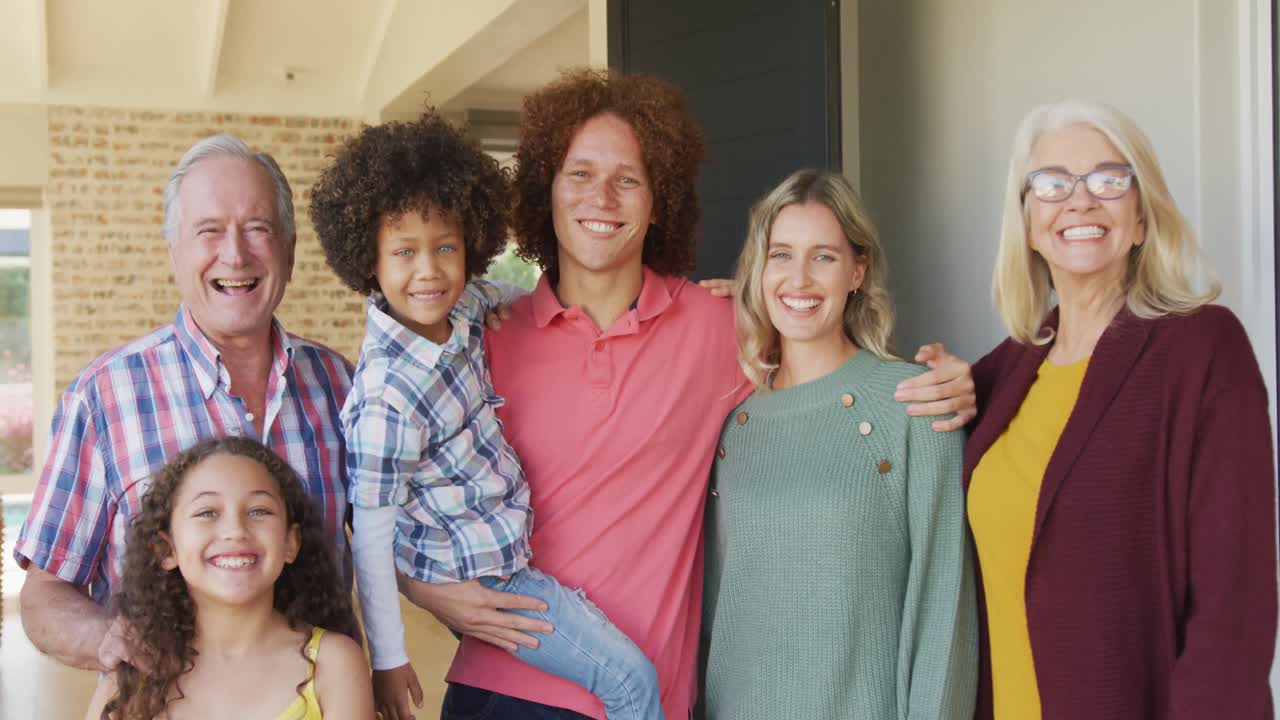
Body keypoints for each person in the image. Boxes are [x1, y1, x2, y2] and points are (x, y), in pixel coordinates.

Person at [396, 68, 979, 720]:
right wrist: (421, 588)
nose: (603, 198)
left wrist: (949, 379)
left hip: (642, 703)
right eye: (580, 174)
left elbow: (822, 356)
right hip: (499, 691)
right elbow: (390, 488)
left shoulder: (718, 330)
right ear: (545, 190)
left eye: (628, 179)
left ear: (659, 198)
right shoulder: (486, 342)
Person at [309, 112, 663, 720]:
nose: (429, 270)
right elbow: (368, 536)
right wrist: (388, 659)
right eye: (404, 253)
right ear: (369, 261)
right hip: (492, 582)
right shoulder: (384, 399)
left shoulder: (466, 307)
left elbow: (506, 295)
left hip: (508, 547)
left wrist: (508, 306)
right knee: (630, 683)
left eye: (445, 247)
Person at [965, 100, 1277, 719]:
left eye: (1110, 180)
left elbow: (1233, 604)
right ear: (1027, 224)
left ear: (1141, 219)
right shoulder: (1001, 374)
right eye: (1051, 184)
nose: (1079, 201)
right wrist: (746, 312)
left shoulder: (1201, 349)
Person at [15, 135, 354, 673]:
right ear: (174, 249)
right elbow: (43, 593)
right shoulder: (103, 396)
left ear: (289, 249)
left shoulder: (341, 386)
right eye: (209, 231)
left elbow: (394, 542)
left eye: (258, 229)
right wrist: (109, 639)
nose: (235, 253)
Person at [701, 169, 977, 719]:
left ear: (858, 270)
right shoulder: (730, 423)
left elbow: (943, 611)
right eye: (780, 255)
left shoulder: (913, 404)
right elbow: (715, 612)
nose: (799, 279)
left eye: (823, 257)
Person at [82, 436, 372, 719]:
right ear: (166, 549)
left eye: (259, 511)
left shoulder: (334, 665)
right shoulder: (135, 671)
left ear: (290, 543)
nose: (235, 530)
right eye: (207, 512)